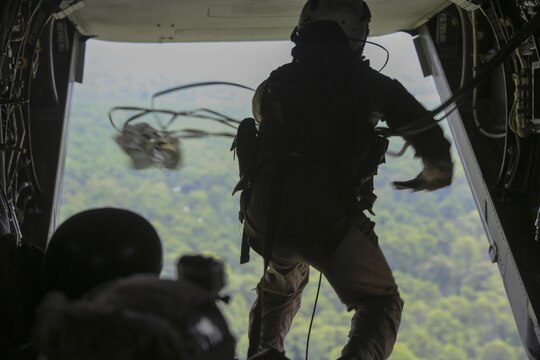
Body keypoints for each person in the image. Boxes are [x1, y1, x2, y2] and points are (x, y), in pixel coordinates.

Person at [234, 0, 453, 359]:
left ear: (303, 29)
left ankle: (263, 353)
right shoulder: (368, 82)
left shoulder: (275, 81)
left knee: (279, 287)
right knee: (380, 300)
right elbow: (426, 134)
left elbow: (260, 121)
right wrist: (433, 174)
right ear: (359, 35)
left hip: (264, 217)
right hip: (324, 218)